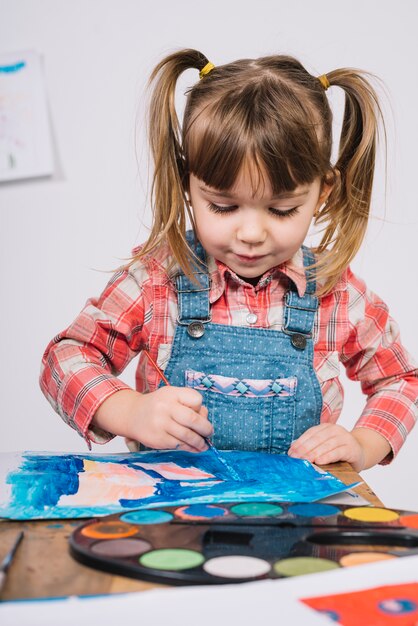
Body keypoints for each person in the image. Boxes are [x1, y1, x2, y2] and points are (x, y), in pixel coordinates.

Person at [40, 49, 418, 472]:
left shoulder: (337, 294)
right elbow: (66, 356)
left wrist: (362, 445)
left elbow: (401, 379)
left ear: (323, 189)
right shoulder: (156, 280)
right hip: (172, 514)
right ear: (187, 183)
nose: (251, 233)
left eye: (280, 210)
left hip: (297, 520)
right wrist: (127, 411)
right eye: (222, 206)